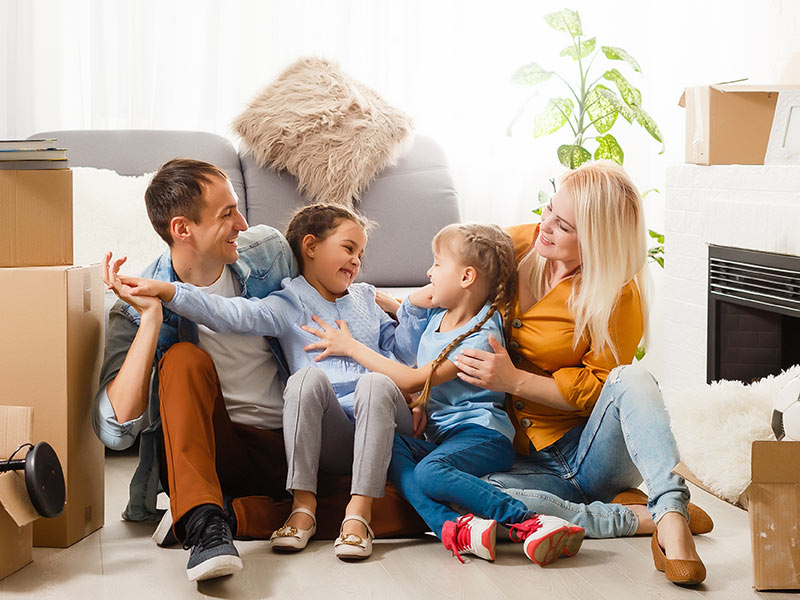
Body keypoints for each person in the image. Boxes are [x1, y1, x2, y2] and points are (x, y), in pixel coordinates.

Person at [97, 161, 423, 582]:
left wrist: (395, 310)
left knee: (416, 496)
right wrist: (153, 319)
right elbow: (114, 430)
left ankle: (236, 517)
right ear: (182, 229)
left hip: (299, 442)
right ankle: (204, 526)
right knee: (181, 359)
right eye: (227, 214)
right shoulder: (136, 301)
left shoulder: (268, 252)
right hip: (225, 448)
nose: (243, 222)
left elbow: (329, 288)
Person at [451, 161, 710, 585]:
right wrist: (394, 308)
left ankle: (673, 522)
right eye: (548, 209)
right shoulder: (514, 246)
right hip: (517, 461)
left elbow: (596, 389)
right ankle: (643, 515)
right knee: (460, 492)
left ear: (596, 239)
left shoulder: (617, 293)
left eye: (563, 225)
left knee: (632, 378)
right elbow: (450, 271)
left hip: (590, 453)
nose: (544, 226)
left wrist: (512, 380)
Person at [302, 223, 586, 565]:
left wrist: (350, 347)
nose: (428, 272)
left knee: (430, 473)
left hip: (482, 436)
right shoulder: (440, 315)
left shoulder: (481, 334)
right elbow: (415, 304)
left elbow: (411, 379)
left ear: (466, 277)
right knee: (388, 446)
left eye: (437, 264)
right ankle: (453, 526)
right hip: (444, 436)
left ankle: (526, 520)